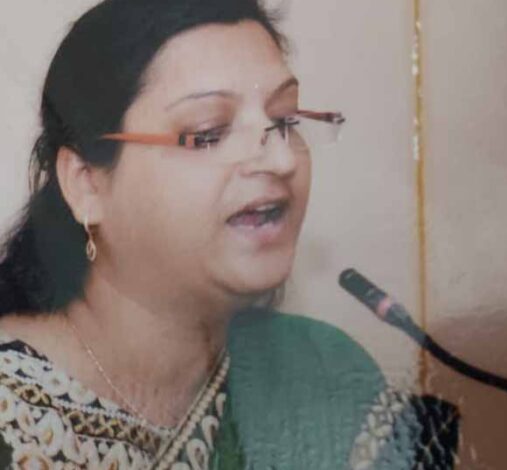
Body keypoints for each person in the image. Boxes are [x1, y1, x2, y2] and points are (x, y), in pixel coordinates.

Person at [0, 0, 459, 468]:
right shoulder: (11, 408)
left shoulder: (320, 368)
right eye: (208, 133)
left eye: (285, 120)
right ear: (87, 183)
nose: (281, 159)